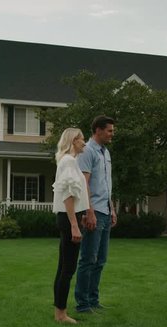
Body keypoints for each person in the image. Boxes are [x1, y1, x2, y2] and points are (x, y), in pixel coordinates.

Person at [74, 115, 117, 313]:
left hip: (105, 211)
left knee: (100, 260)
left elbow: (105, 184)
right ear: (98, 130)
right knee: (88, 259)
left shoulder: (105, 153)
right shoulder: (87, 151)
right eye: (109, 130)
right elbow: (84, 183)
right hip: (94, 212)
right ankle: (82, 304)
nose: (112, 134)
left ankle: (93, 300)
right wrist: (89, 211)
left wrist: (112, 209)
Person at [52, 128, 89, 324]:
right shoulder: (69, 162)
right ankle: (61, 314)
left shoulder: (67, 161)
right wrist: (74, 225)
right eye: (82, 138)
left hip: (70, 218)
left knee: (63, 267)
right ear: (74, 141)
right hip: (69, 220)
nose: (85, 142)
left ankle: (59, 312)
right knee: (68, 268)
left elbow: (74, 196)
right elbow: (67, 195)